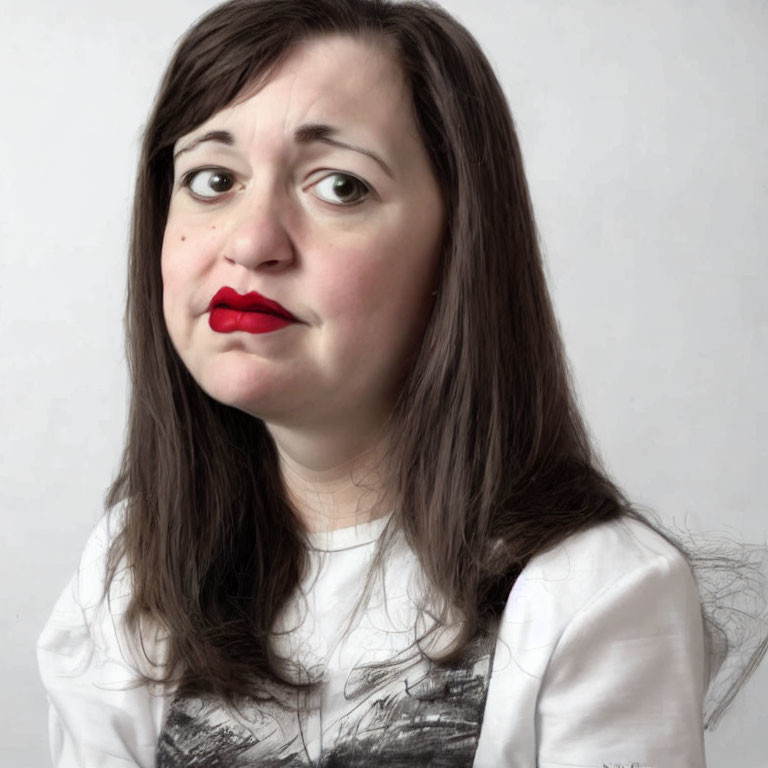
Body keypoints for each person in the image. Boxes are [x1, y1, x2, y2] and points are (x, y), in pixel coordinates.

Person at [37, 0, 754, 765]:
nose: (249, 242)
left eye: (340, 186)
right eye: (213, 179)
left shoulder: (596, 597)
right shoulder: (131, 566)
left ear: (460, 247)